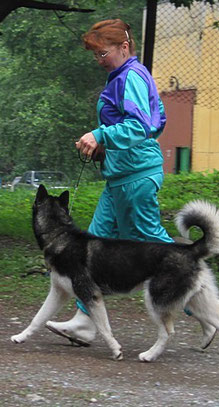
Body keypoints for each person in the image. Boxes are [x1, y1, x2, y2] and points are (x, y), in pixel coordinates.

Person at [46, 19, 174, 346]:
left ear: (124, 47)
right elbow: (144, 123)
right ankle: (85, 321)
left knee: (156, 248)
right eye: (95, 54)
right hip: (121, 176)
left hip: (136, 176)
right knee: (95, 246)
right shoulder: (122, 77)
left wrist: (100, 134)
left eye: (103, 53)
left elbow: (140, 125)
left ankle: (202, 300)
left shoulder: (129, 76)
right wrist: (104, 146)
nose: (99, 60)